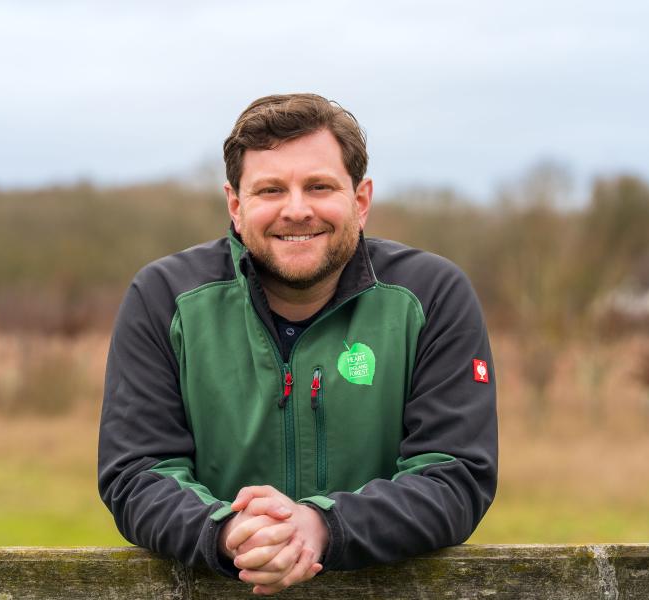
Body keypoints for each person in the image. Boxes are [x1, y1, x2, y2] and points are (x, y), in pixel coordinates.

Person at [98, 93, 498, 595]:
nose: (296, 209)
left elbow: (455, 474)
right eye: (270, 190)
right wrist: (228, 532)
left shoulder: (432, 296)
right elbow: (137, 473)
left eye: (319, 186)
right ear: (236, 205)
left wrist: (321, 526)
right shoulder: (164, 298)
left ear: (361, 200)